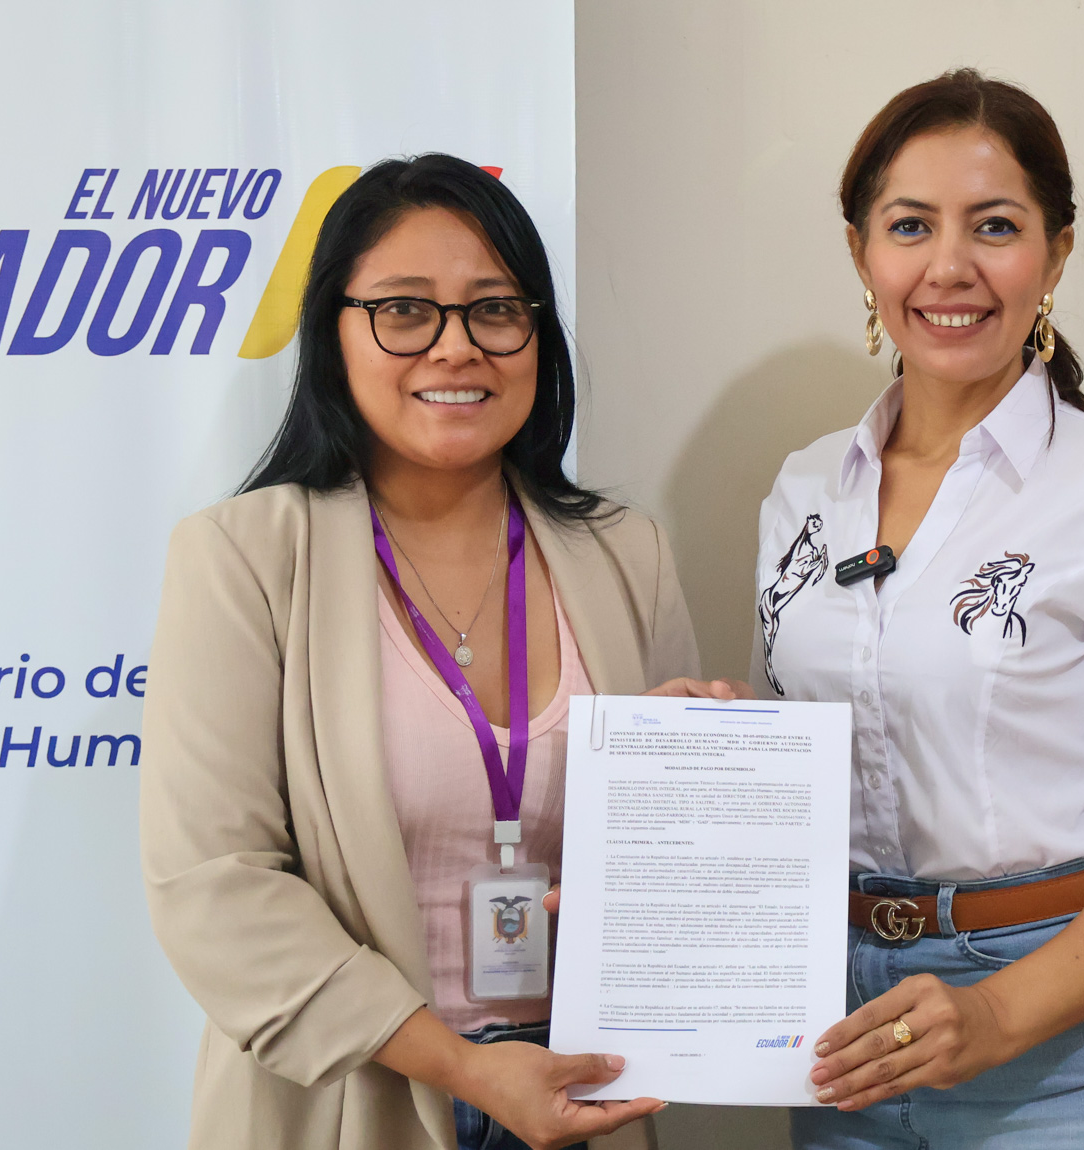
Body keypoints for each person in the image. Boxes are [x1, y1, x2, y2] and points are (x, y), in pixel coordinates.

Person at [139, 154, 740, 1150]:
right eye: (405, 311)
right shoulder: (244, 555)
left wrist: (702, 794)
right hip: (349, 1101)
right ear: (333, 334)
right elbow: (215, 885)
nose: (456, 347)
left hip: (578, 1100)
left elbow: (663, 893)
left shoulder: (625, 554)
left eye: (494, 310)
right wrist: (461, 1066)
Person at [752, 69, 1084, 1149]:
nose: (949, 267)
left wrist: (992, 1012)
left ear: (1056, 252)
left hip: (1066, 1047)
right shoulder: (805, 490)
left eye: (994, 226)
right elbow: (805, 774)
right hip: (841, 1026)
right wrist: (706, 755)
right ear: (860, 253)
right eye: (909, 226)